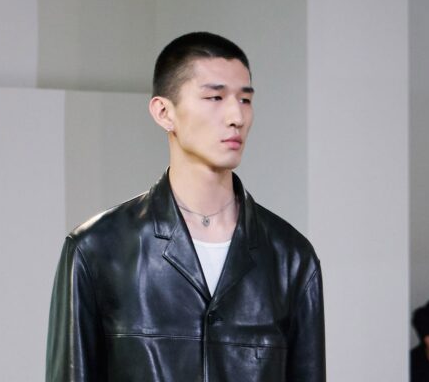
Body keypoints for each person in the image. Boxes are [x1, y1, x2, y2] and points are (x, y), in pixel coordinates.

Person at [46, 32, 325, 381]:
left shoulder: (290, 257)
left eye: (245, 99)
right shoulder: (98, 249)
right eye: (215, 97)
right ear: (164, 112)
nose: (236, 116)